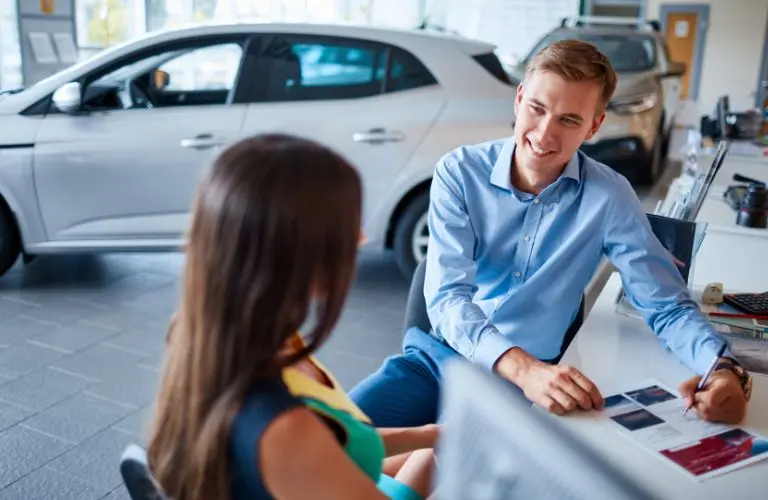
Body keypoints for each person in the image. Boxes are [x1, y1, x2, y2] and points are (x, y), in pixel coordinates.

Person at [350, 40, 752, 427]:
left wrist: (720, 368)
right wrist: (523, 369)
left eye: (569, 120)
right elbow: (447, 298)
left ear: (594, 125)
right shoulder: (459, 172)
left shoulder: (609, 197)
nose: (544, 134)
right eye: (537, 109)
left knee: (443, 475)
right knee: (331, 435)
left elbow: (666, 304)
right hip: (439, 359)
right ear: (519, 97)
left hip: (526, 387)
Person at [147, 134, 438, 500]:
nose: (361, 238)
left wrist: (431, 433)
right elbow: (312, 445)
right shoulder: (284, 429)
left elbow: (333, 441)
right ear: (300, 256)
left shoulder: (215, 337)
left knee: (432, 453)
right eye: (346, 228)